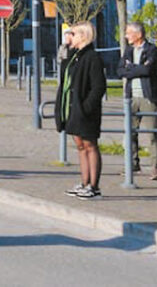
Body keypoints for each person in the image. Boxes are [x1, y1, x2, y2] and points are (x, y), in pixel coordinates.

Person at [55, 21, 106, 200]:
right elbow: (65, 78)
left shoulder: (91, 57)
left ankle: (94, 185)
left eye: (74, 34)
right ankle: (84, 182)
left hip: (85, 111)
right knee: (80, 146)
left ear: (83, 36)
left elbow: (98, 87)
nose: (70, 37)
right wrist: (65, 51)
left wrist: (86, 107)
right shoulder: (74, 56)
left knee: (90, 145)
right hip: (72, 109)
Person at [118, 22, 157, 180]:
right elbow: (120, 70)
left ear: (138, 35)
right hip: (131, 97)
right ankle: (133, 163)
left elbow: (148, 70)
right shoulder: (129, 51)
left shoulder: (152, 50)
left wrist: (131, 68)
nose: (126, 36)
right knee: (130, 132)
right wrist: (136, 68)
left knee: (153, 133)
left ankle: (156, 167)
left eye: (129, 33)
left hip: (148, 97)